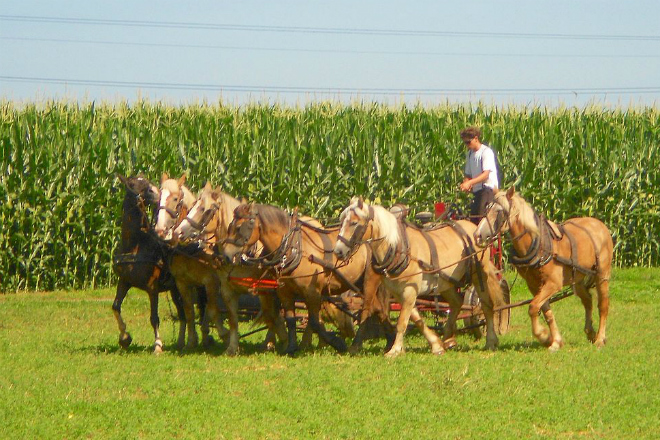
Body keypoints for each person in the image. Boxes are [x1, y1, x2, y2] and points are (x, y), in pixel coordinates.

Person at [458, 126, 499, 224]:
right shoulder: (469, 154)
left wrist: (470, 182)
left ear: (476, 139)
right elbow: (468, 174)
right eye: (465, 143)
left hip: (487, 190)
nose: (467, 145)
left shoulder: (486, 152)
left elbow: (486, 175)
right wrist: (466, 183)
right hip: (477, 191)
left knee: (482, 220)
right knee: (473, 220)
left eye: (468, 142)